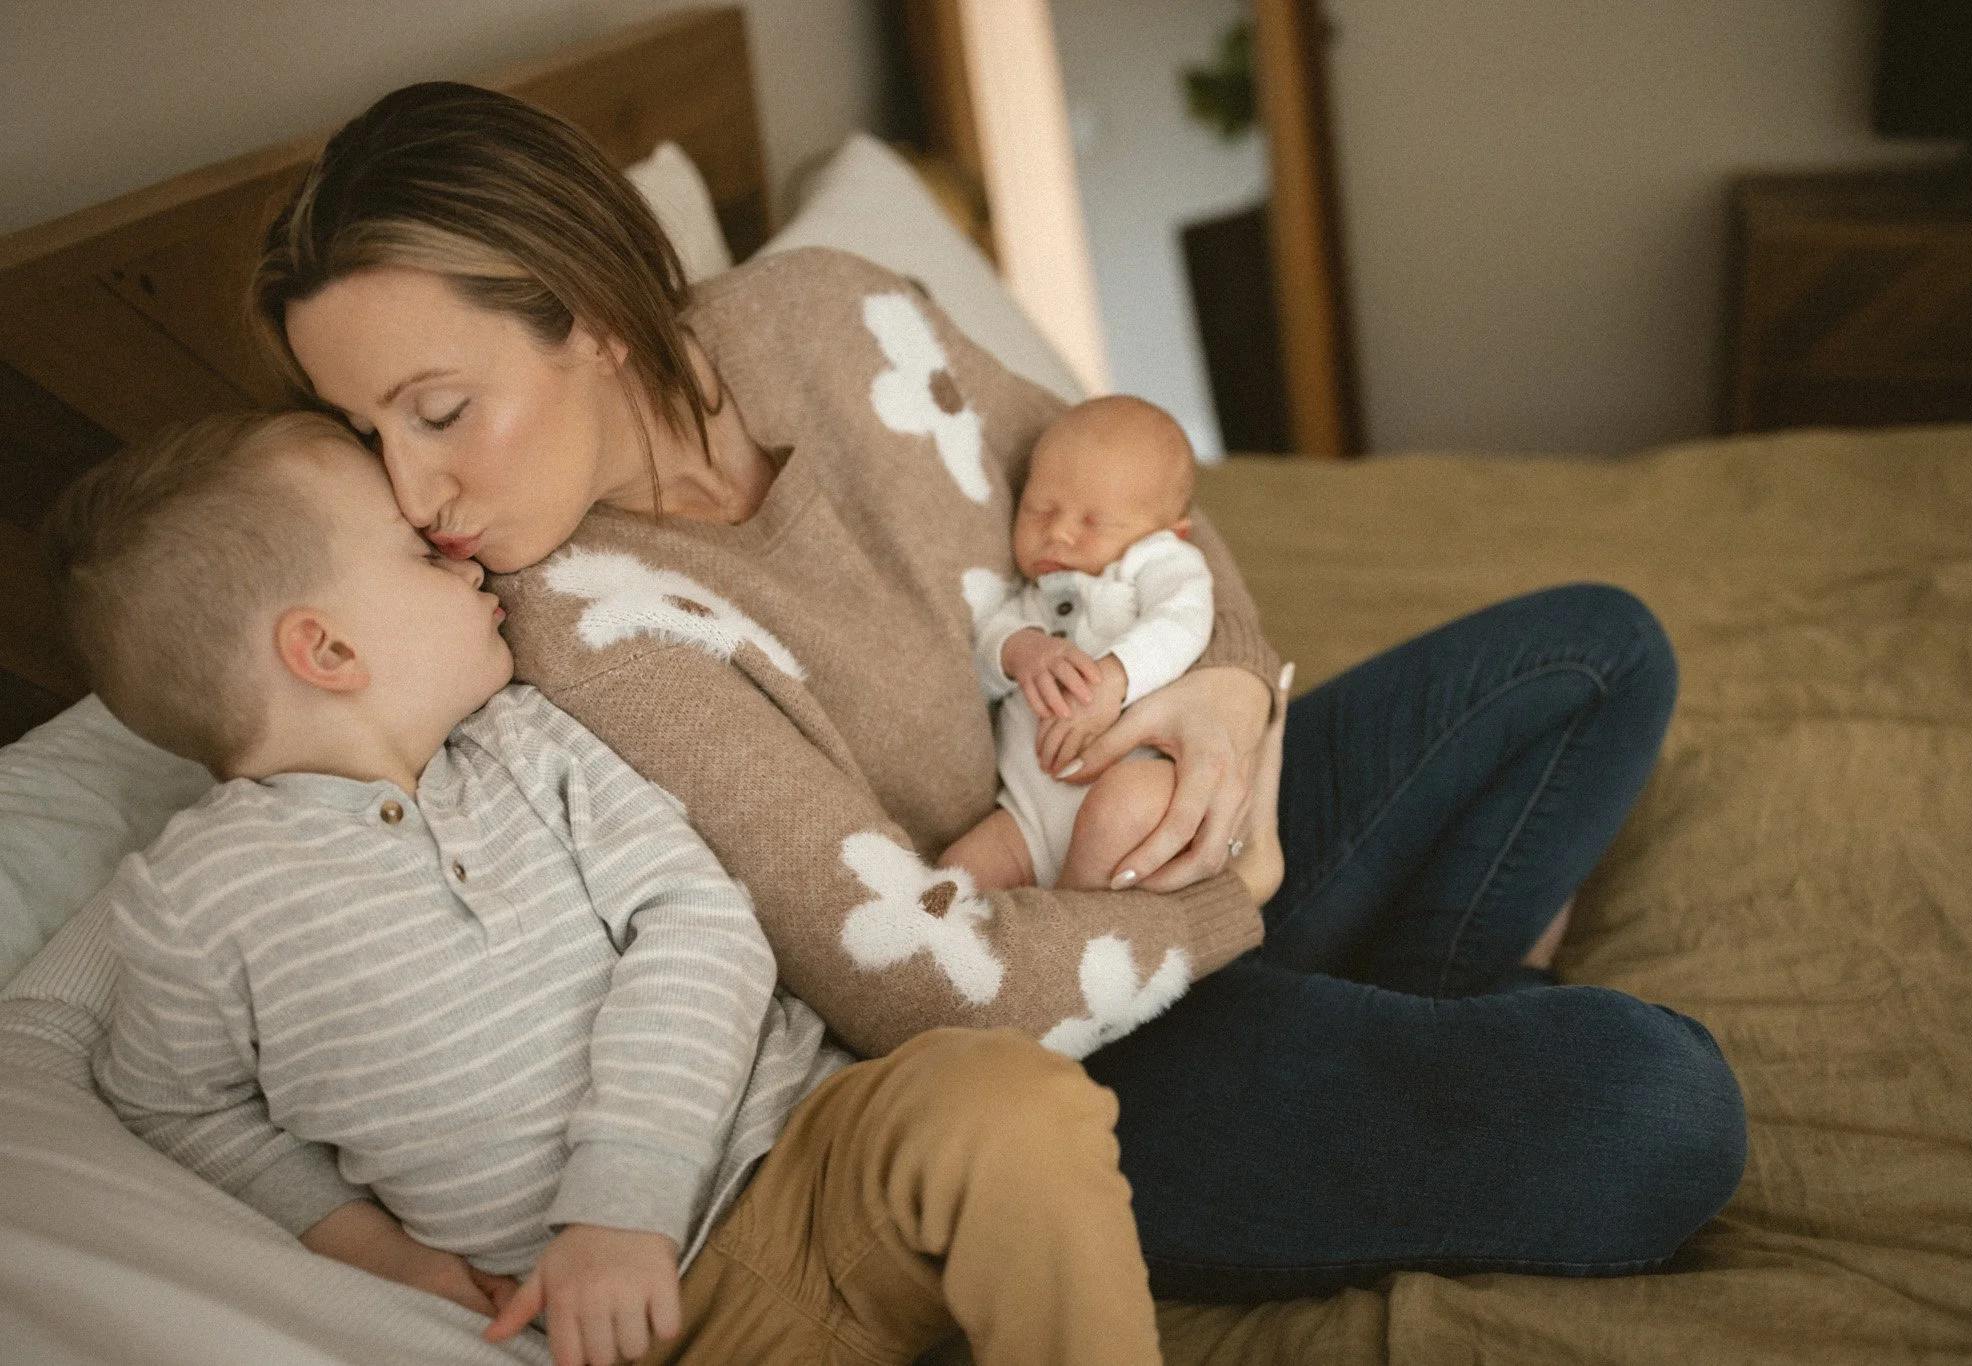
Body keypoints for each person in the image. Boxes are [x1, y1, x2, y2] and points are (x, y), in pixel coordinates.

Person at [253, 81, 1748, 1301]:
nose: (411, 486)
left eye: (438, 410)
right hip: (1069, 1059)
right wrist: (1235, 892)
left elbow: (1139, 480)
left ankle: (1368, 1016)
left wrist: (1229, 694)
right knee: (1658, 1107)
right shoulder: (568, 627)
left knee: (1598, 652)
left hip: (1170, 824)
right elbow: (898, 981)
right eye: (365, 430)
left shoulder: (827, 312)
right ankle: (1349, 1031)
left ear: (589, 311)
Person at [48, 410, 1165, 1366]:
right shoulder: (192, 905)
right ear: (325, 651)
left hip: (814, 1160)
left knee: (1006, 1098)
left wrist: (620, 1199)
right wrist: (376, 1251)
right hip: (643, 1332)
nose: (467, 557)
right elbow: (175, 1100)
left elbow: (704, 925)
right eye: (419, 555)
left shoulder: (534, 741)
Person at [943, 393, 1235, 893]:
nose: (1056, 532)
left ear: (1170, 535)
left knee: (1126, 802)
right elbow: (982, 657)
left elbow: (1184, 620)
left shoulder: (1155, 565)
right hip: (1026, 820)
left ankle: (1077, 921)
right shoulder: (1028, 604)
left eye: (1091, 521)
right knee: (953, 876)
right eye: (1040, 509)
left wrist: (1115, 680)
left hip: (1129, 795)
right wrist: (1020, 652)